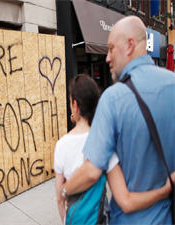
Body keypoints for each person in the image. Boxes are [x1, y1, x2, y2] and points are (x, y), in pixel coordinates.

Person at [63, 15, 175, 224]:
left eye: (111, 48)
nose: (107, 57)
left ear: (130, 45)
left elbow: (91, 171)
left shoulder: (112, 99)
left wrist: (64, 190)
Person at [55, 74, 174, 224]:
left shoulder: (61, 146)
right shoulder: (104, 142)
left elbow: (60, 198)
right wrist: (164, 191)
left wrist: (66, 219)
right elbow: (124, 199)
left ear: (75, 105)